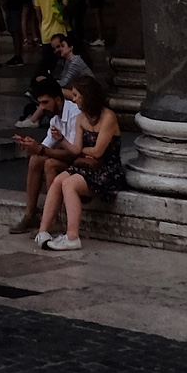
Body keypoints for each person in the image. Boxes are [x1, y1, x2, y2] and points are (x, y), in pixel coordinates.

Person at [35, 75, 124, 249]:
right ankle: (43, 230)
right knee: (58, 180)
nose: (73, 99)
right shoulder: (81, 118)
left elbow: (98, 152)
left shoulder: (108, 117)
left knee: (70, 184)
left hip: (107, 170)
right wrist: (61, 140)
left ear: (87, 95)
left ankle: (72, 236)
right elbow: (76, 149)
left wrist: (85, 151)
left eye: (76, 95)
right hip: (88, 166)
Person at [10, 75, 79, 235]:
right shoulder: (54, 118)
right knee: (36, 160)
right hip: (67, 157)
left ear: (58, 99)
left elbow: (73, 153)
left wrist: (41, 150)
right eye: (40, 104)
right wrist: (31, 146)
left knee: (50, 164)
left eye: (45, 103)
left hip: (79, 158)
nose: (42, 108)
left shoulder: (75, 114)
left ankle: (54, 220)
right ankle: (30, 214)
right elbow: (46, 146)